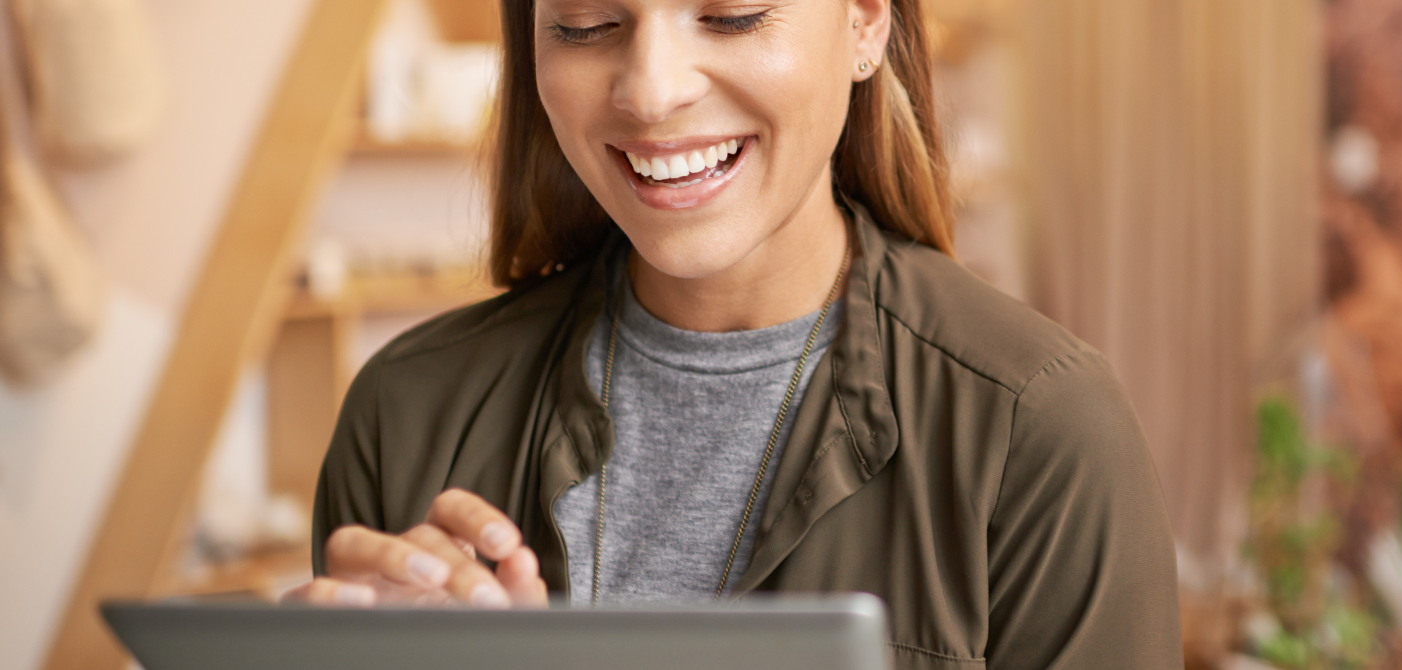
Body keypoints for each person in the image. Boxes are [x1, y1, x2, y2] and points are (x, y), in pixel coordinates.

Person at [284, 0, 1182, 666]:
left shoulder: (1039, 428)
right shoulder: (404, 415)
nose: (650, 92)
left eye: (731, 15)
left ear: (866, 23)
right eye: (587, 24)